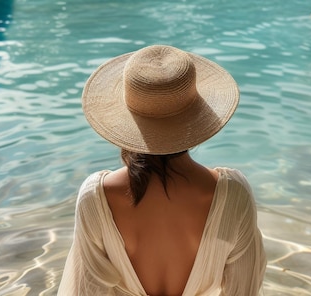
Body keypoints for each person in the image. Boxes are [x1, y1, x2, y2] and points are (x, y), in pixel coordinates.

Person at [59, 45, 266, 296]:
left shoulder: (98, 197)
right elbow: (244, 290)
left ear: (126, 120)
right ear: (195, 119)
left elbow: (85, 290)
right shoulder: (233, 195)